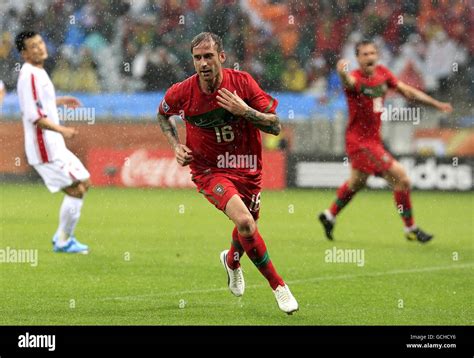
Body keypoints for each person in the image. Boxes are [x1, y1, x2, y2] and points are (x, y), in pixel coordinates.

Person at [157, 32, 298, 314]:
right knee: (245, 221)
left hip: (247, 167)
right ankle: (279, 286)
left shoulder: (243, 83)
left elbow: (275, 126)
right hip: (209, 169)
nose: (203, 63)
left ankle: (232, 260)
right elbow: (162, 114)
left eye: (208, 56)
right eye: (197, 58)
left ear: (221, 57)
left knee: (248, 225)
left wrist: (245, 111)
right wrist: (175, 146)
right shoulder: (183, 92)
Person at [319, 39, 453, 242]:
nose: (370, 57)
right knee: (402, 178)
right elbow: (348, 81)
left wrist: (435, 103)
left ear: (378, 55)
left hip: (373, 141)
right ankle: (410, 228)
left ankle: (329, 215)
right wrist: (341, 72)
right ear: (358, 58)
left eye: (372, 53)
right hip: (360, 142)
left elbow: (407, 91)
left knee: (357, 182)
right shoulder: (355, 78)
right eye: (365, 54)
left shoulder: (383, 74)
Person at [16, 31, 90, 254]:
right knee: (76, 189)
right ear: (24, 54)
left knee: (84, 182)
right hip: (44, 147)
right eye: (33, 46)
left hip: (54, 144)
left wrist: (59, 101)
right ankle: (63, 240)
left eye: (40, 42)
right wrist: (63, 130)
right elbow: (35, 116)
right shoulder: (28, 75)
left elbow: (40, 103)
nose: (40, 47)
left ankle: (62, 236)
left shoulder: (38, 72)